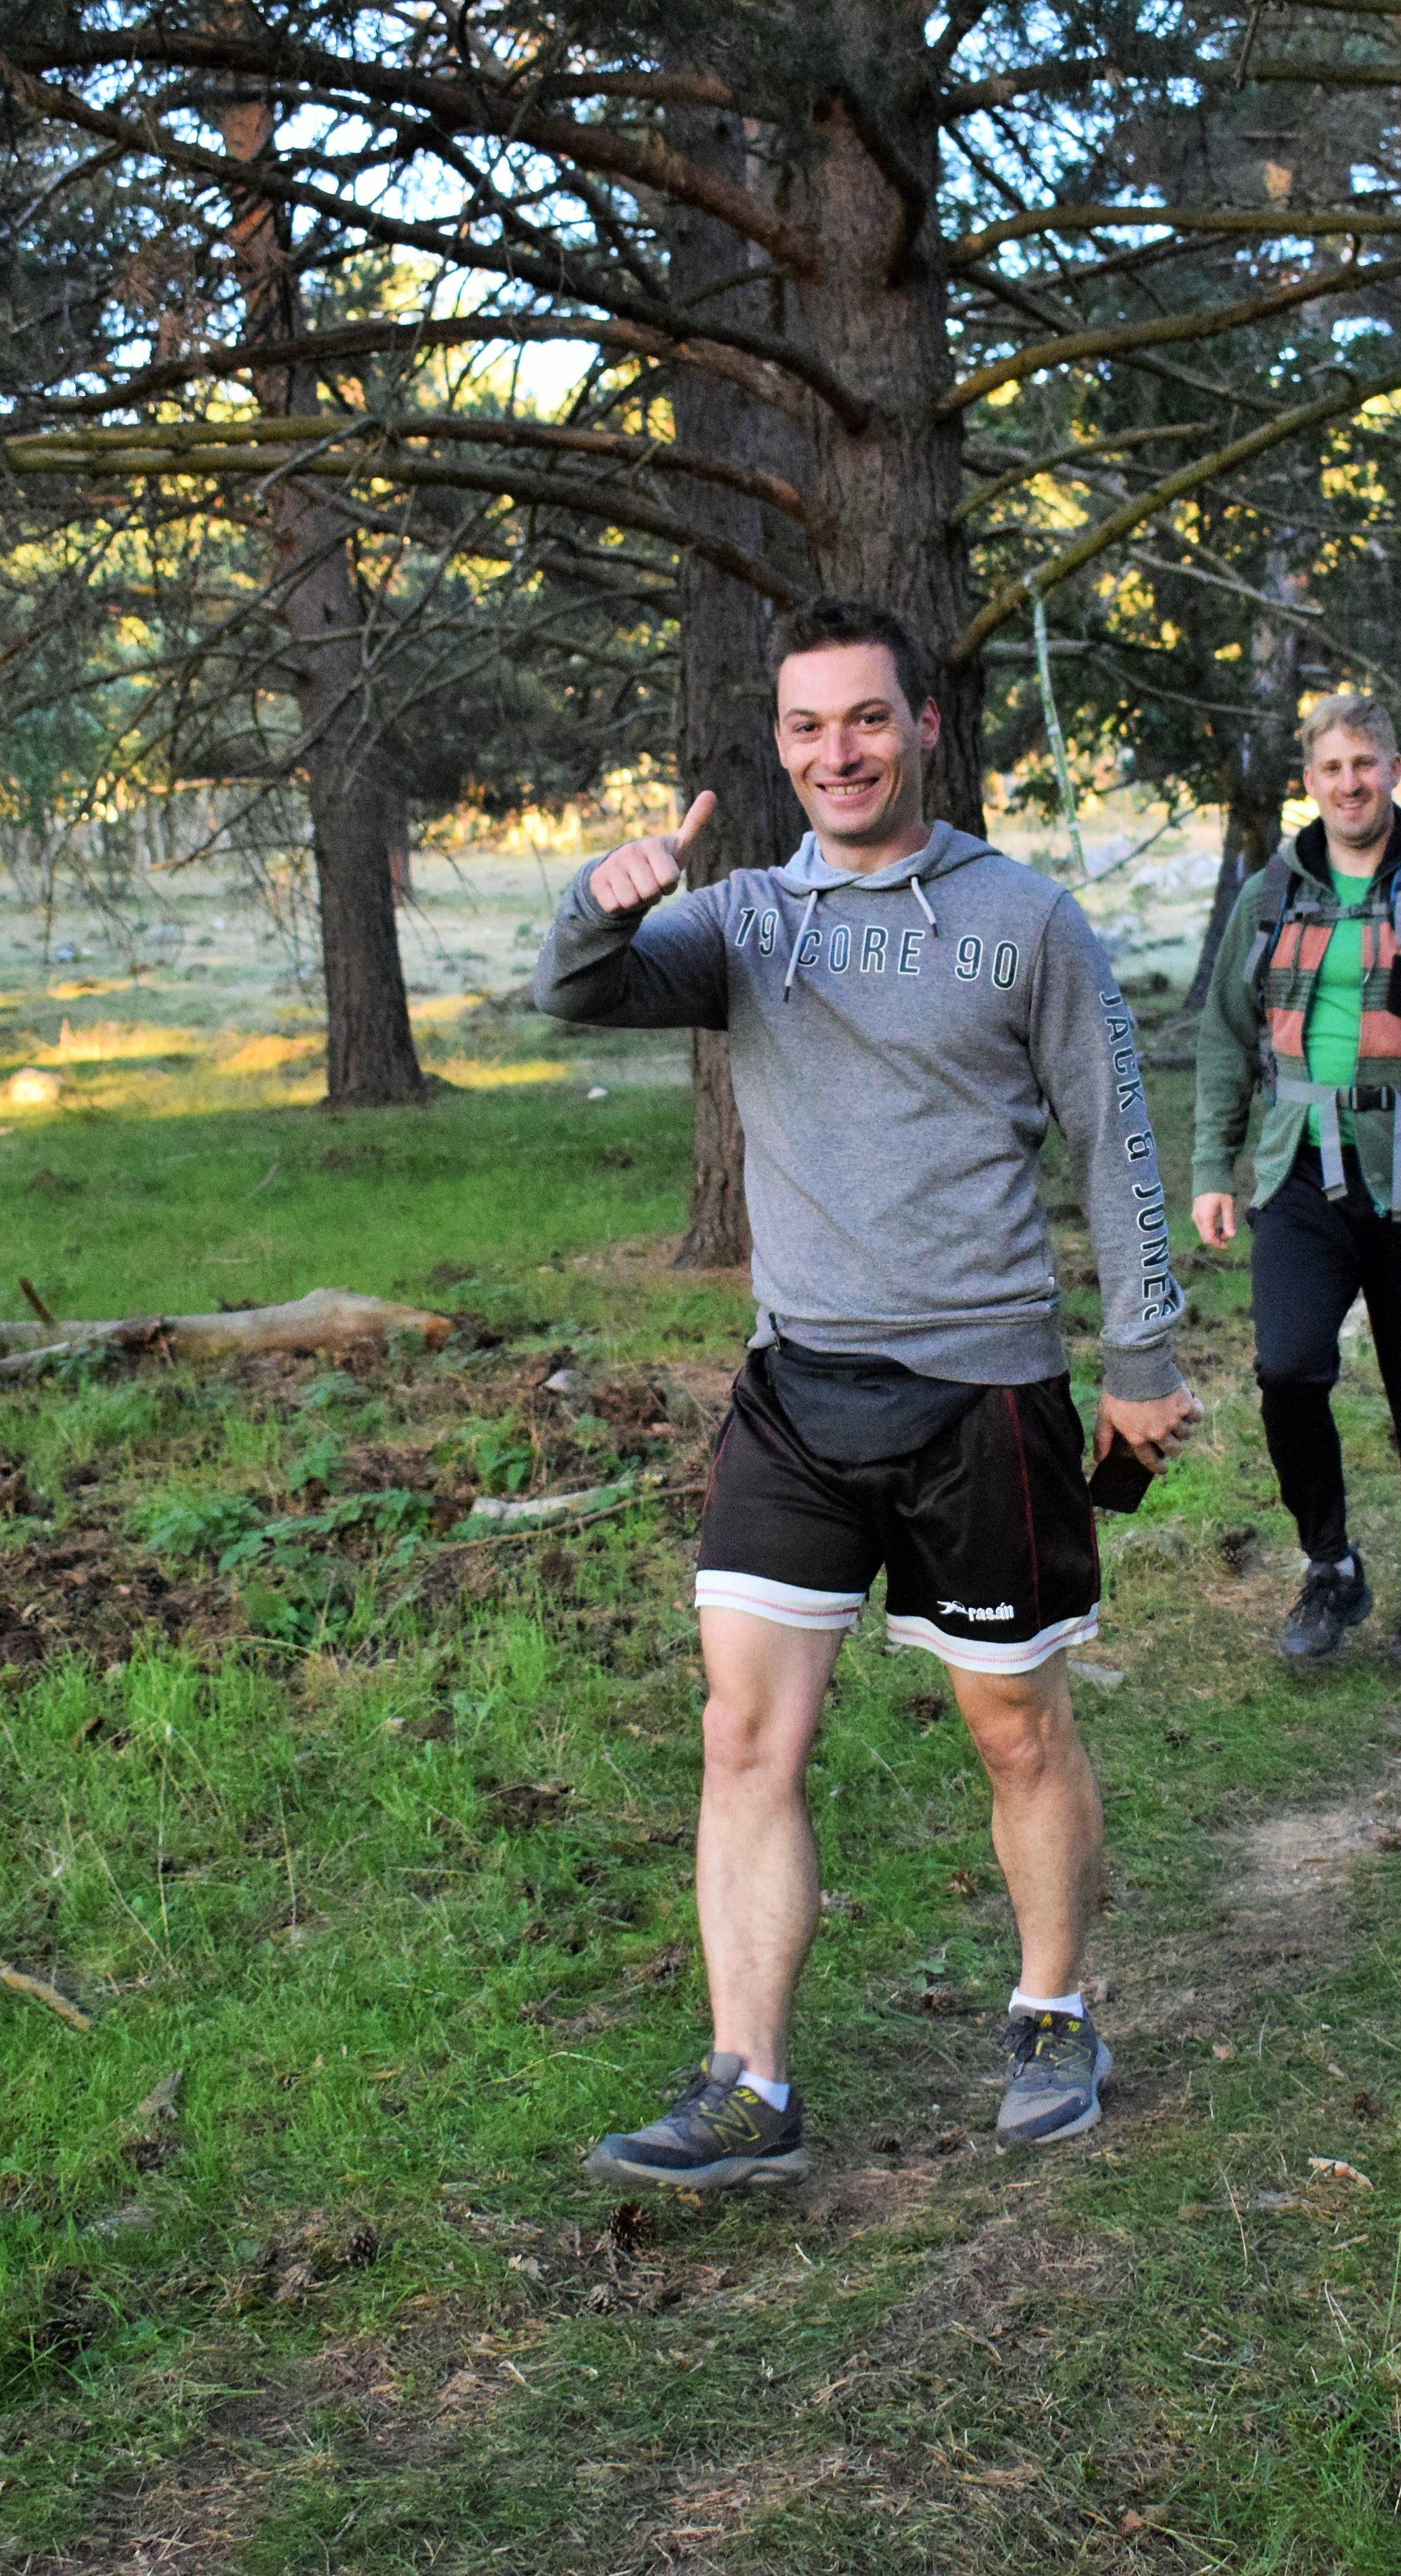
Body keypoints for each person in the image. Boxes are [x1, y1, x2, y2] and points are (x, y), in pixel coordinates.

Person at [532, 596, 1199, 2193]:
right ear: (781, 747)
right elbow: (579, 990)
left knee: (1015, 1725)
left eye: (867, 720)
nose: (839, 752)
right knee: (742, 1733)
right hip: (795, 1391)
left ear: (925, 727)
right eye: (808, 728)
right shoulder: (748, 922)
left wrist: (1145, 1358)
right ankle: (748, 2084)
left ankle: (1052, 2012)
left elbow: (1113, 1135)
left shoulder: (1025, 919)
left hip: (985, 1395)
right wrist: (600, 900)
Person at [1190, 694, 1401, 1667]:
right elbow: (1223, 1034)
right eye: (1332, 769)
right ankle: (1330, 1564)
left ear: (1395, 769)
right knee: (1288, 1368)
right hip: (1296, 1164)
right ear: (1309, 782)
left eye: (1366, 764)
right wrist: (1213, 1164)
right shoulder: (1271, 894)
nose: (1350, 784)